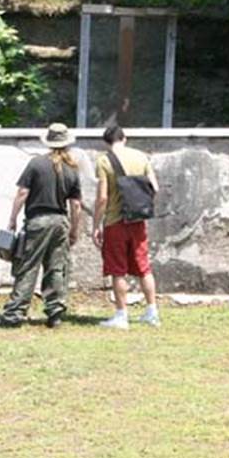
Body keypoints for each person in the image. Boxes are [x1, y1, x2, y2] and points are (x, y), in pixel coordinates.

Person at [0, 123, 82, 329]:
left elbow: (22, 193)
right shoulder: (71, 169)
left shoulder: (36, 164)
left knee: (27, 266)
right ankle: (55, 313)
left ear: (49, 142)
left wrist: (12, 219)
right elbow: (76, 205)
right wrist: (74, 230)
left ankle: (14, 314)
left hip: (37, 221)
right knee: (56, 267)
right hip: (60, 221)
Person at [91, 125, 160, 329]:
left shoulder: (104, 161)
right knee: (143, 267)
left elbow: (102, 197)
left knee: (117, 269)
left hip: (115, 221)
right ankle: (152, 312)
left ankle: (121, 316)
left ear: (106, 142)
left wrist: (96, 224)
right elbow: (154, 188)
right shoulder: (141, 157)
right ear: (124, 138)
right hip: (138, 220)